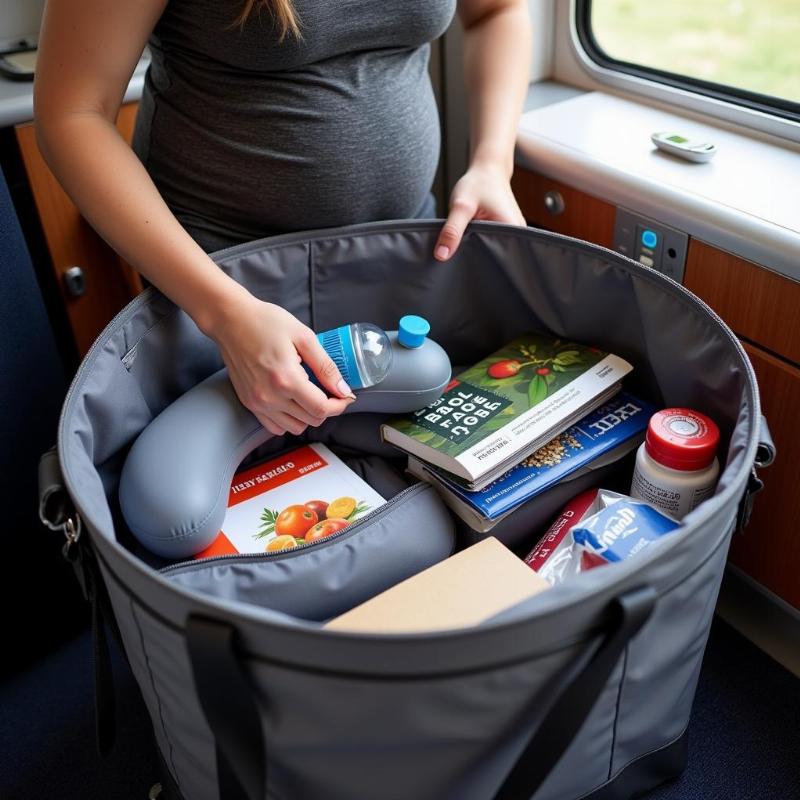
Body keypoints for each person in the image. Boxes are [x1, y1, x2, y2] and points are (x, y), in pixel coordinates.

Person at [34, 0, 531, 437]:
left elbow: (496, 11)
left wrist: (493, 163)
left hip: (399, 253)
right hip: (221, 279)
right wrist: (223, 312)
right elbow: (73, 112)